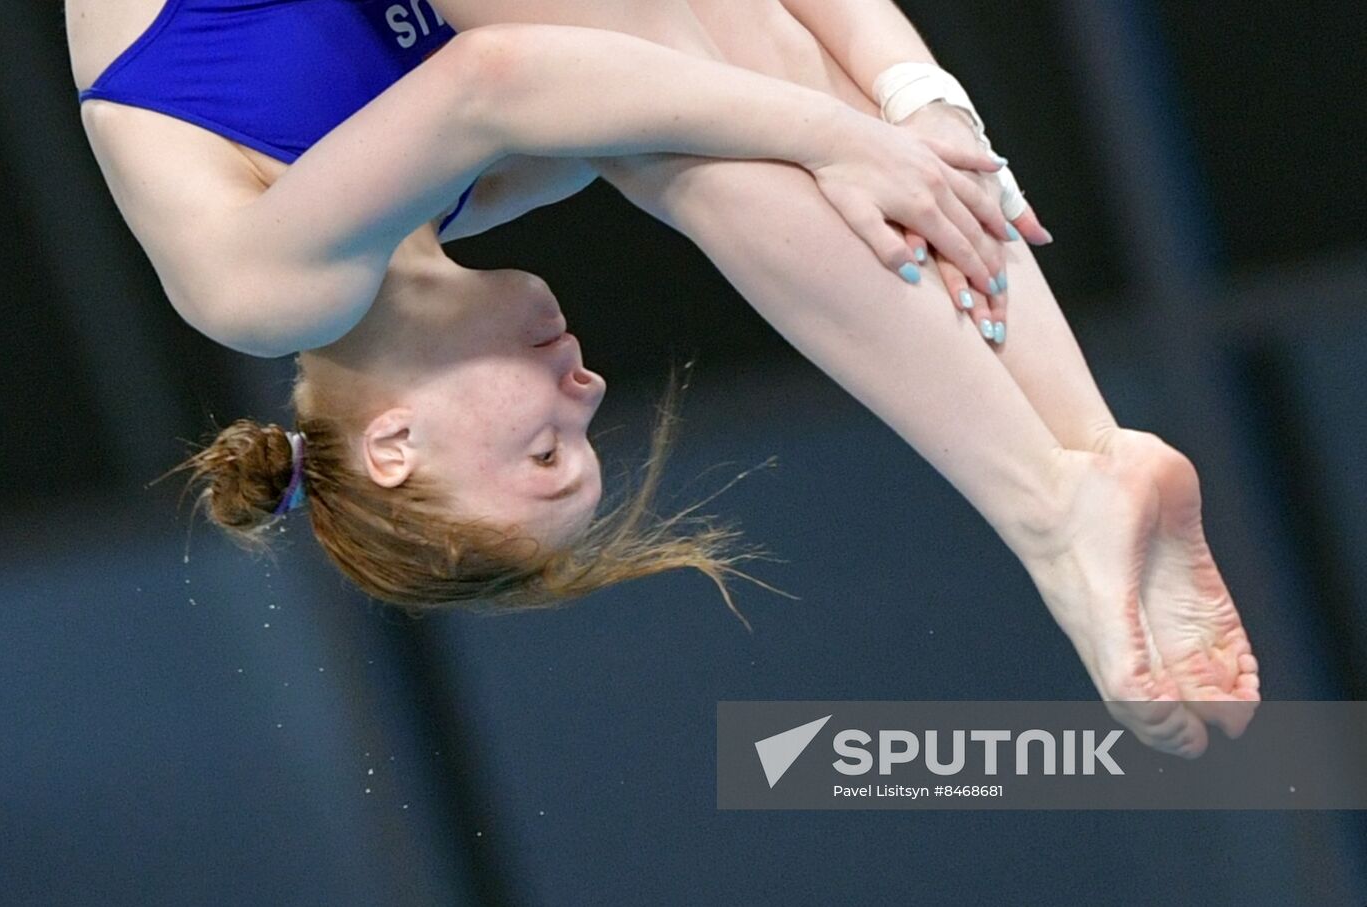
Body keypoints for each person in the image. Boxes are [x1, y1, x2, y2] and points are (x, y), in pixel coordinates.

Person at [67, 0, 1257, 756]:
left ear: (393, 447)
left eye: (542, 453)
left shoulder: (269, 292)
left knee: (671, 122)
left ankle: (1046, 514)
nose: (585, 395)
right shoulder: (492, 183)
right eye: (583, 443)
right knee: (689, 88)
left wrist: (839, 138)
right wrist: (913, 98)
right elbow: (757, 32)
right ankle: (1083, 452)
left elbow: (498, 72)